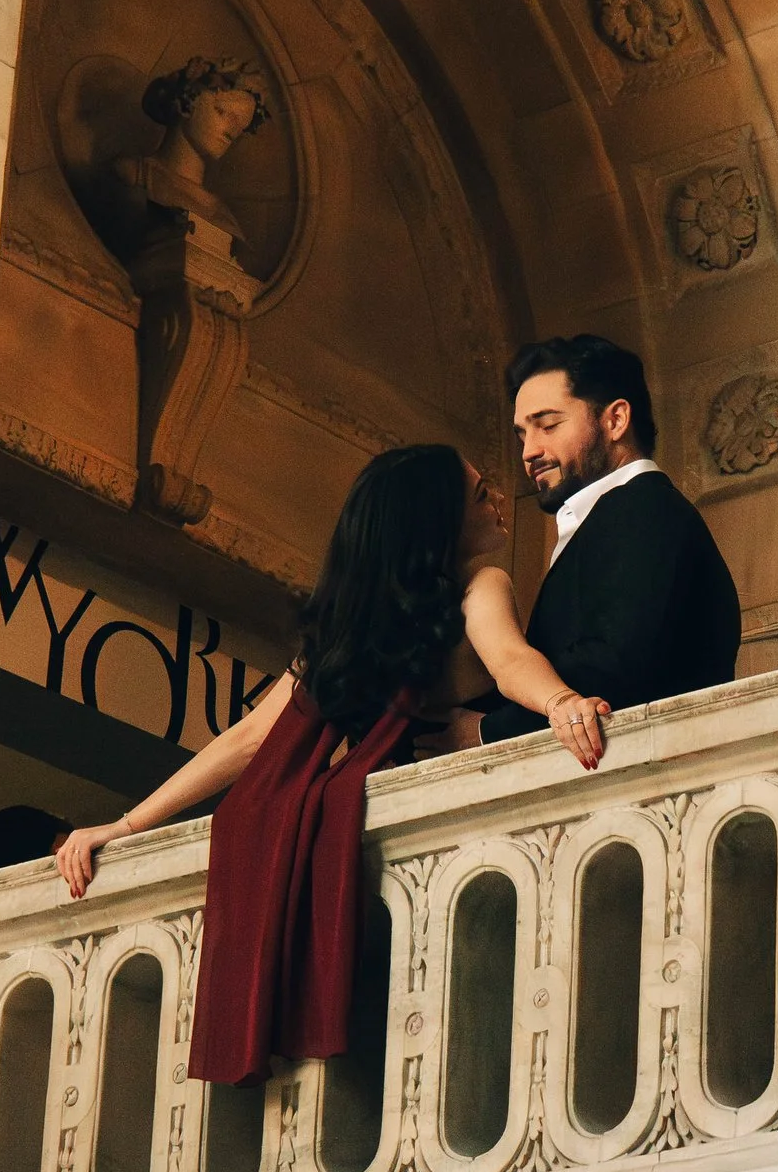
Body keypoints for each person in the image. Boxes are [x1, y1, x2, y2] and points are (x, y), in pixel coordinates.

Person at [51, 444, 604, 1083]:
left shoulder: (465, 590)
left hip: (405, 849)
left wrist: (559, 702)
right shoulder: (409, 607)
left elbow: (507, 661)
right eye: (481, 493)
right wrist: (123, 826)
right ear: (436, 519)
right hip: (397, 850)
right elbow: (251, 737)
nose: (499, 499)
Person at [480, 335, 740, 743]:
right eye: (521, 435)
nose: (529, 451)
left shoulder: (645, 508)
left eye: (548, 426)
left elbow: (615, 668)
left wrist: (483, 729)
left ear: (615, 420)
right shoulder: (617, 514)